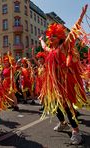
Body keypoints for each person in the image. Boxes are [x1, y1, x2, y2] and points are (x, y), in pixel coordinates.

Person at [38, 4, 89, 145]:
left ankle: (76, 132)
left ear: (59, 37)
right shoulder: (50, 49)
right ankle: (62, 123)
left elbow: (73, 33)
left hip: (65, 83)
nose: (51, 38)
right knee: (55, 106)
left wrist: (80, 17)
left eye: (53, 36)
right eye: (50, 36)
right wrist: (41, 40)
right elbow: (44, 47)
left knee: (67, 107)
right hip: (53, 84)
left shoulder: (64, 46)